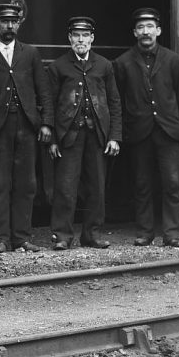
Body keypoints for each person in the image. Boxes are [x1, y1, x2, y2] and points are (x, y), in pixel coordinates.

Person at [0, 3, 54, 253]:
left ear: (19, 24)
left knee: (27, 184)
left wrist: (46, 122)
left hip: (27, 125)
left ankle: (21, 238)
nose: (9, 26)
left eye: (14, 21)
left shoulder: (30, 54)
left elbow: (44, 91)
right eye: (4, 22)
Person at [113, 8, 179, 249]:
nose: (145, 31)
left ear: (158, 31)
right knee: (142, 184)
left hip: (168, 132)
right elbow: (117, 100)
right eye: (140, 27)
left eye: (150, 27)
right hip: (139, 133)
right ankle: (145, 232)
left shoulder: (174, 61)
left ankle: (173, 234)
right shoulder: (122, 63)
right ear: (134, 32)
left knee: (171, 183)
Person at [47, 16, 122, 250]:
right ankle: (63, 235)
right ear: (69, 38)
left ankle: (92, 234)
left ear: (92, 38)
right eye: (76, 35)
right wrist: (52, 138)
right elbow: (49, 103)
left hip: (98, 136)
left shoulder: (104, 65)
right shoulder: (58, 66)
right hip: (69, 136)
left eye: (85, 35)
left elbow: (114, 102)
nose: (81, 40)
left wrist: (114, 136)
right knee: (66, 187)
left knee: (97, 187)